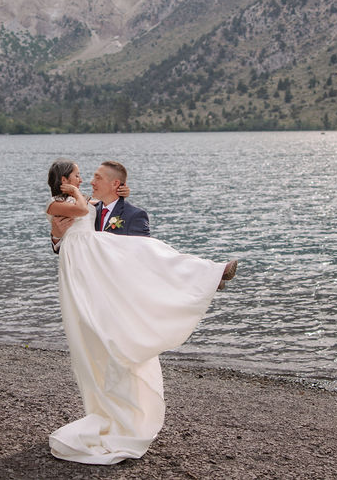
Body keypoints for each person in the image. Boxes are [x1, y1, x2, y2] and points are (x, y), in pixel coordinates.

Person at [44, 159, 238, 465]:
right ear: (66, 179)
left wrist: (119, 198)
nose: (89, 180)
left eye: (95, 177)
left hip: (120, 292)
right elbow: (61, 238)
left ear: (115, 184)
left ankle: (208, 275)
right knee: (103, 352)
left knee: (152, 252)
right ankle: (112, 414)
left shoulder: (131, 214)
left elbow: (143, 263)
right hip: (90, 283)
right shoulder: (71, 203)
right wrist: (57, 233)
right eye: (84, 175)